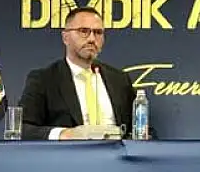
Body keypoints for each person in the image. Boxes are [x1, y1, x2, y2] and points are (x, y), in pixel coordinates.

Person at [20, 7, 136, 140]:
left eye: (98, 32)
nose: (92, 38)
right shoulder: (44, 80)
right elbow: (22, 129)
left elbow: (141, 129)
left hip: (116, 151)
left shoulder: (119, 80)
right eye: (84, 31)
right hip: (70, 152)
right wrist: (64, 134)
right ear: (65, 38)